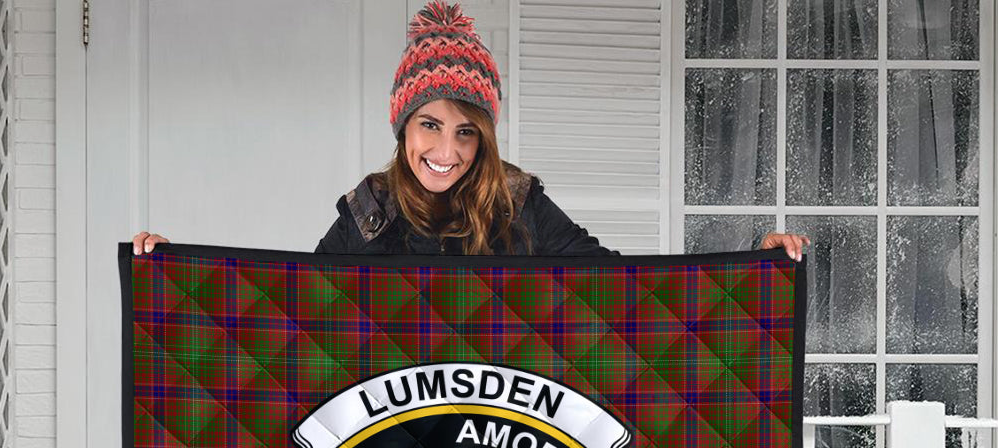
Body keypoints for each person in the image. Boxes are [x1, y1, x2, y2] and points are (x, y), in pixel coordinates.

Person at [133, 1, 809, 262]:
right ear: (403, 127)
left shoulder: (519, 204)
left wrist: (756, 265)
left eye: (466, 132)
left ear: (485, 137)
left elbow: (624, 290)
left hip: (504, 444)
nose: (446, 151)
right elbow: (291, 314)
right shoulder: (367, 213)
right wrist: (172, 272)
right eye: (430, 126)